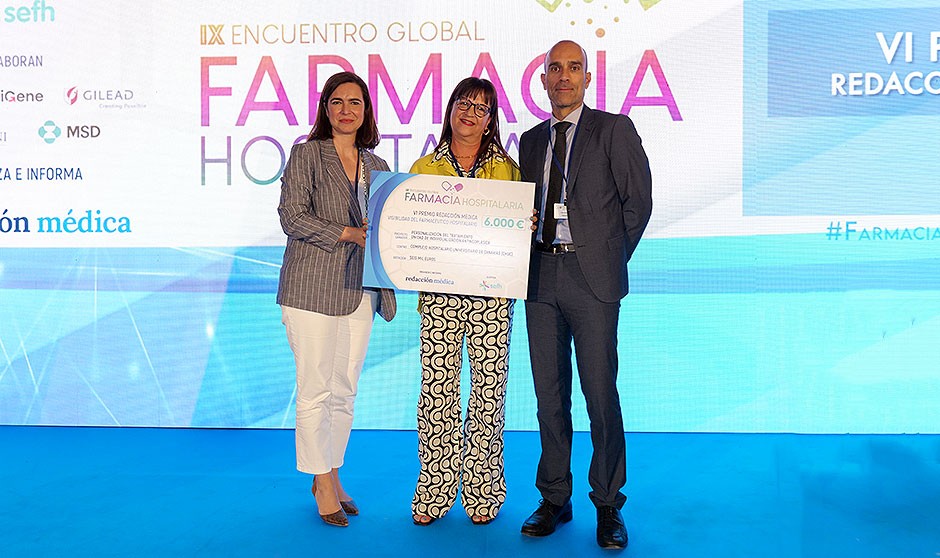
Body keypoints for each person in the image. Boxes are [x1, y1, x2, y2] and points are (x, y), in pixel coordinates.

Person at [518, 40, 653, 549]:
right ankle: (555, 496)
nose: (564, 76)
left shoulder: (614, 129)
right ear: (543, 80)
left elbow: (638, 203)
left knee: (599, 394)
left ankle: (608, 503)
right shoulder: (531, 141)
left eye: (573, 68)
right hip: (539, 277)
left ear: (587, 78)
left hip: (592, 279)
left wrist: (607, 258)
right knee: (549, 396)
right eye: (555, 68)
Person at [277, 71, 397, 528]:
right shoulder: (307, 154)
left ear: (366, 112)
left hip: (361, 289)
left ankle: (332, 472)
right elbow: (292, 217)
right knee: (315, 389)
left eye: (356, 102)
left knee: (344, 389)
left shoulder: (378, 164)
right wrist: (346, 232)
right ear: (325, 108)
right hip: (311, 286)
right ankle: (320, 482)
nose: (347, 110)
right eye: (338, 102)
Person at [409, 77, 521, 527]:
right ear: (450, 109)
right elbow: (410, 230)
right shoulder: (423, 167)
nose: (470, 113)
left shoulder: (509, 171)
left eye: (481, 107)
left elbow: (517, 231)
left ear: (491, 120)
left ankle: (483, 491)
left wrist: (526, 222)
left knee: (488, 396)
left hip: (492, 297)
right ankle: (434, 490)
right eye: (463, 103)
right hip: (439, 296)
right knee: (437, 395)